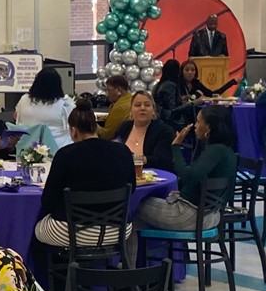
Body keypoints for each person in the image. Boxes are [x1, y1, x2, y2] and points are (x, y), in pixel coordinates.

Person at [35, 98, 137, 248]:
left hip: (73, 230)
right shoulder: (122, 150)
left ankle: (49, 270)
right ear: (95, 127)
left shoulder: (65, 155)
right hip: (118, 229)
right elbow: (132, 187)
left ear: (73, 131)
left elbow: (48, 201)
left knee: (36, 229)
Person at [134, 105, 237, 239]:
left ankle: (132, 258)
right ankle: (162, 257)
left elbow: (188, 177)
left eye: (199, 122)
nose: (195, 125)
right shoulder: (227, 151)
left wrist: (175, 147)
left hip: (191, 216)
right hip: (212, 214)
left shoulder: (215, 151)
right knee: (138, 221)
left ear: (208, 128)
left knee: (133, 205)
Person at [115, 91, 176, 172]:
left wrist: (138, 160)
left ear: (153, 110)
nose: (142, 108)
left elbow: (162, 161)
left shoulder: (164, 131)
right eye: (137, 105)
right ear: (131, 110)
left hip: (154, 177)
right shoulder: (124, 127)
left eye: (147, 105)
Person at [16, 67, 75, 148]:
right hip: (58, 149)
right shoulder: (64, 104)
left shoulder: (24, 100)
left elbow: (16, 118)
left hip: (27, 149)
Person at [99, 75, 133, 141]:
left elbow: (107, 135)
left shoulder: (119, 107)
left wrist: (93, 125)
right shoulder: (131, 99)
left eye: (109, 90)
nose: (107, 94)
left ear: (118, 90)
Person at [153, 59, 185, 127]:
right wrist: (191, 104)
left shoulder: (159, 84)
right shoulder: (170, 85)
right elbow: (172, 110)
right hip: (171, 123)